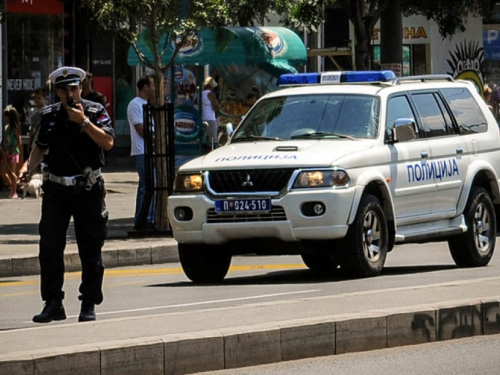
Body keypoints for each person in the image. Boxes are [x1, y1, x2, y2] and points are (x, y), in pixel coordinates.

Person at [18, 66, 114, 323]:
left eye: (75, 88)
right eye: (66, 90)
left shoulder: (95, 111)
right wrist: (28, 167)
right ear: (58, 92)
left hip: (88, 189)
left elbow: (107, 142)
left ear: (81, 89)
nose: (71, 94)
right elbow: (40, 147)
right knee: (49, 247)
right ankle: (53, 303)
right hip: (56, 189)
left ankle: (89, 303)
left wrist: (83, 122)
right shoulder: (49, 115)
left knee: (90, 247)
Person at [127, 75, 155, 230]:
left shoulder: (149, 104)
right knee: (146, 185)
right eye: (152, 85)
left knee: (153, 184)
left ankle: (150, 216)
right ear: (145, 87)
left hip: (152, 150)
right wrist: (156, 138)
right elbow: (140, 129)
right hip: (141, 150)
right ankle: (142, 218)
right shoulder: (135, 104)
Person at [0, 106, 22, 198]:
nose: (4, 118)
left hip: (13, 152)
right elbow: (5, 139)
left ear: (8, 117)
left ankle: (14, 192)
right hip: (5, 151)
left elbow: (19, 143)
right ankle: (10, 186)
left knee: (12, 172)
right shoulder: (5, 128)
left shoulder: (15, 129)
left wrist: (10, 149)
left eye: (5, 116)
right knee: (2, 172)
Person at [202, 76, 220, 149]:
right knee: (213, 140)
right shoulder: (210, 94)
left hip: (202, 118)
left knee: (204, 139)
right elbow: (216, 106)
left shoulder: (200, 93)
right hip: (210, 119)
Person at [28, 87, 48, 153]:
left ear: (44, 98)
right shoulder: (33, 112)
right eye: (35, 98)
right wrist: (29, 143)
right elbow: (32, 129)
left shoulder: (48, 111)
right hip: (34, 143)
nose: (37, 100)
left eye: (39, 98)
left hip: (45, 144)